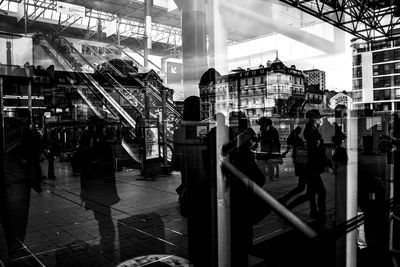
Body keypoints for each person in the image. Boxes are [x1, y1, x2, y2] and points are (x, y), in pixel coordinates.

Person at [280, 126, 313, 210]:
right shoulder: (299, 140)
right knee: (305, 189)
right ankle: (287, 203)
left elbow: (289, 147)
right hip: (304, 165)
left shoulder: (295, 139)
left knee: (302, 187)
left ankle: (285, 200)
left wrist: (285, 152)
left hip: (300, 163)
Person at [304, 119, 327, 224]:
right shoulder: (311, 131)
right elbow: (316, 147)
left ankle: (314, 212)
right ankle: (321, 214)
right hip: (312, 168)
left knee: (311, 192)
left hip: (311, 168)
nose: (320, 120)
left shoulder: (311, 129)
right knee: (321, 192)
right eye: (318, 118)